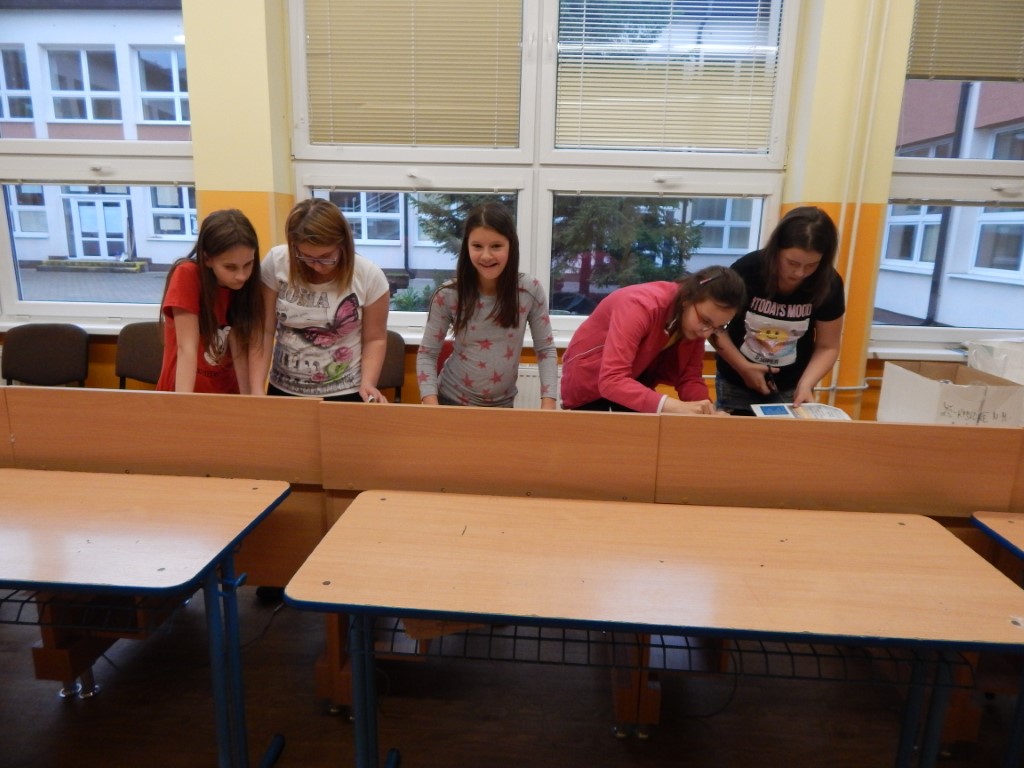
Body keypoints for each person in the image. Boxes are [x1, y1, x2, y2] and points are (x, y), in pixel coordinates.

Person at [416, 202, 557, 408]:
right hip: (451, 401)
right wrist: (432, 408)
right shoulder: (448, 294)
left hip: (502, 407)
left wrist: (548, 408)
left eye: (496, 246)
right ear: (467, 247)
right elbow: (427, 354)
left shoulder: (530, 290)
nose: (486, 256)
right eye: (477, 246)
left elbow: (545, 350)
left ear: (511, 246)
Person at [560, 265, 746, 414]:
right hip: (590, 383)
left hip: (632, 381)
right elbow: (612, 380)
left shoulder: (695, 321)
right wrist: (677, 407)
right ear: (687, 299)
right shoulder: (639, 306)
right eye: (705, 321)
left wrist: (708, 412)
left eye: (718, 327)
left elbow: (689, 378)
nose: (706, 334)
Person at [713, 206, 845, 415]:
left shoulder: (829, 283)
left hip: (792, 385)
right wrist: (743, 367)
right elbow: (715, 327)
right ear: (776, 250)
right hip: (736, 380)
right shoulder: (748, 269)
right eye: (792, 263)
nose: (799, 273)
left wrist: (806, 384)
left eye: (811, 265)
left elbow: (827, 346)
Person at [257, 198, 390, 402]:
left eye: (326, 256)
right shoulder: (277, 262)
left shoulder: (368, 275)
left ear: (343, 244)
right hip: (284, 389)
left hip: (345, 392)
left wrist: (368, 382)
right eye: (307, 257)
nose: (317, 266)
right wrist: (257, 388)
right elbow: (264, 331)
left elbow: (375, 339)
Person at [157, 208, 265, 394]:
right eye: (230, 267)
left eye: (248, 264)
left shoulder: (244, 286)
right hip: (183, 392)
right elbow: (187, 348)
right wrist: (182, 404)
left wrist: (248, 401)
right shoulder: (187, 274)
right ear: (207, 258)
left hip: (225, 395)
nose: (241, 276)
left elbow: (239, 353)